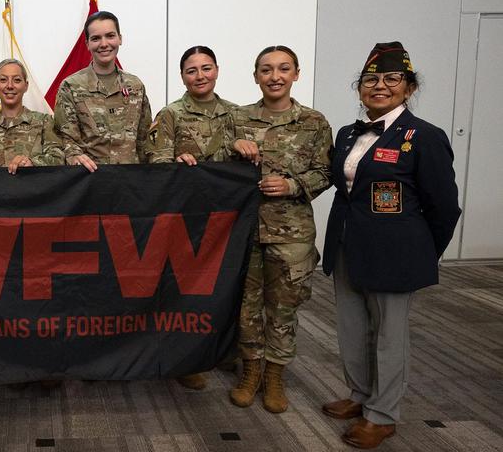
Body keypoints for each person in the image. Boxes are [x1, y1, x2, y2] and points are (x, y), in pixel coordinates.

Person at [320, 42, 460, 449]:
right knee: (351, 329)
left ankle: (382, 415)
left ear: (409, 87)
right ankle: (360, 396)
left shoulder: (425, 137)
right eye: (370, 79)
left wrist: (419, 253)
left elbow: (444, 207)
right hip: (347, 244)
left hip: (394, 254)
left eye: (391, 78)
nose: (380, 86)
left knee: (388, 335)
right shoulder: (349, 134)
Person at [229, 45, 333, 414]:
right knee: (246, 307)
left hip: (291, 234)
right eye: (266, 69)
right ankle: (251, 371)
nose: (275, 76)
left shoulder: (314, 122)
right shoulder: (237, 118)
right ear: (255, 76)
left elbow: (326, 172)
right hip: (244, 232)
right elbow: (215, 167)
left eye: (283, 68)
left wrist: (292, 185)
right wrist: (232, 144)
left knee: (285, 307)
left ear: (296, 74)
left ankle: (275, 375)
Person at [144, 45, 237, 390]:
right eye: (192, 70)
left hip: (224, 219)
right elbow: (154, 160)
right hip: (183, 217)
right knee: (179, 289)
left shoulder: (236, 115)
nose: (200, 76)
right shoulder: (170, 114)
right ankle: (184, 359)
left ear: (217, 70)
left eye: (206, 68)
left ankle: (221, 349)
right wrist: (174, 161)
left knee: (218, 286)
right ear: (182, 76)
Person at [53, 11, 152, 171]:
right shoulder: (70, 86)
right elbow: (65, 138)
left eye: (110, 36)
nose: (104, 44)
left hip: (131, 180)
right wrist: (74, 155)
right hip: (89, 180)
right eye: (96, 38)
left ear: (120, 39)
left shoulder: (135, 86)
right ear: (87, 44)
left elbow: (144, 139)